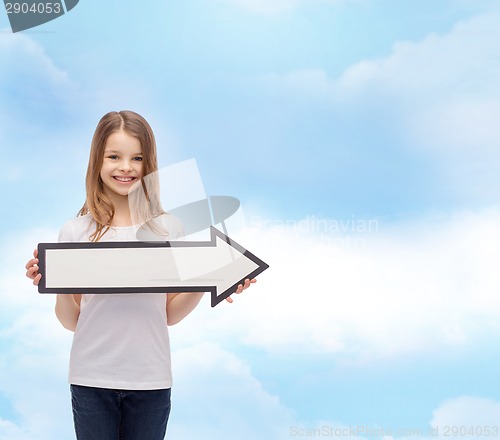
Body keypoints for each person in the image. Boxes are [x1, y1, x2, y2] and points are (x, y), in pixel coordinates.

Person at [24, 110, 255, 440]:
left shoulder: (167, 229)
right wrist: (57, 278)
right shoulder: (76, 231)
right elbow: (71, 320)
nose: (125, 167)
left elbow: (169, 315)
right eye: (114, 156)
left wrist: (208, 278)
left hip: (151, 380)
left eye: (137, 158)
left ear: (150, 166)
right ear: (97, 162)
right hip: (91, 378)